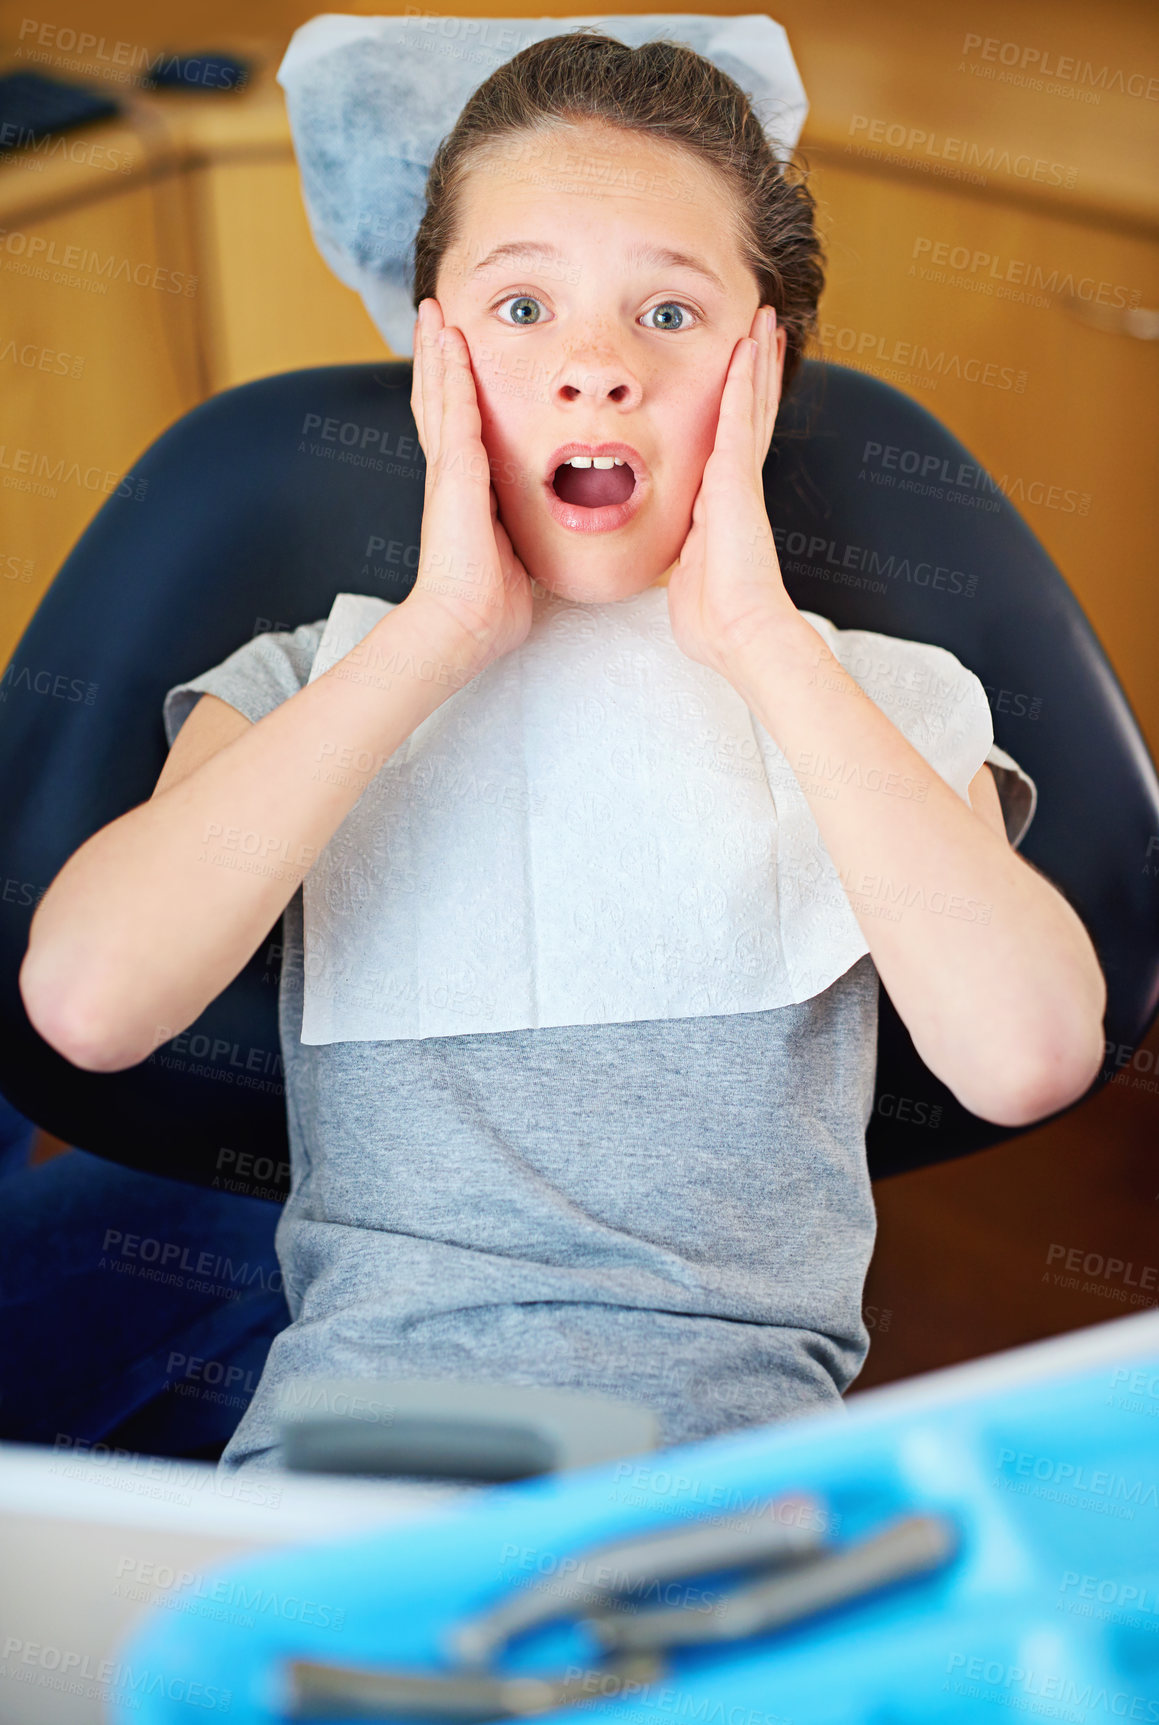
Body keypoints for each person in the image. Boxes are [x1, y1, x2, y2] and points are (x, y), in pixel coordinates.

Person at [18, 31, 1107, 1472]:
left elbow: (1031, 1053)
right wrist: (435, 633)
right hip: (350, 1474)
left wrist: (766, 642)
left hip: (728, 1498)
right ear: (433, 360)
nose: (595, 366)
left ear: (763, 367)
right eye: (523, 304)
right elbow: (89, 1001)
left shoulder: (883, 701)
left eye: (668, 312)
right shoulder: (304, 684)